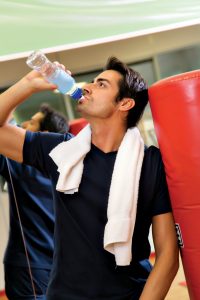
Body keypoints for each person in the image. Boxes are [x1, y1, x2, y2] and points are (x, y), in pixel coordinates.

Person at [0, 57, 179, 300]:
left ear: (125, 103)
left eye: (101, 84)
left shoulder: (150, 163)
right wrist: (28, 83)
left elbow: (167, 255)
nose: (87, 87)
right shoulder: (62, 151)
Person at [0, 103, 68, 300]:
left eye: (30, 123)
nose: (23, 124)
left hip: (37, 270)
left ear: (43, 135)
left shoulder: (22, 165)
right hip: (43, 268)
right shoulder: (72, 170)